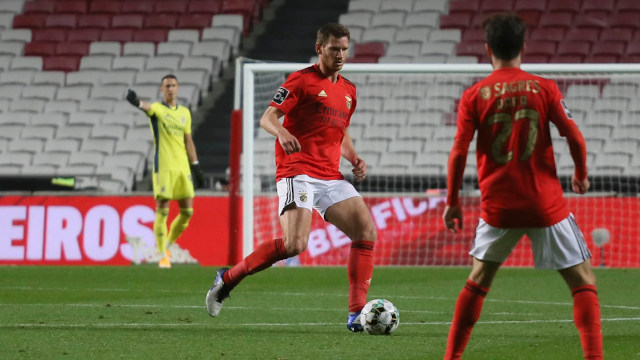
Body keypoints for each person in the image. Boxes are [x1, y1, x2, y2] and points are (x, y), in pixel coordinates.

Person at [441, 13, 603, 360]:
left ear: (488, 50)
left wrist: (453, 200)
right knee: (583, 281)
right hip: (545, 204)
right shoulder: (544, 88)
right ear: (523, 47)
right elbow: (574, 135)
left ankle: (451, 358)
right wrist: (581, 173)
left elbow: (458, 152)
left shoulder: (474, 95)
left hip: (499, 207)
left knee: (479, 278)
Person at [206, 23, 377, 332]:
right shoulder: (301, 80)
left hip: (330, 175)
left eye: (344, 49)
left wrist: (353, 157)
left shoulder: (349, 90)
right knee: (295, 244)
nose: (340, 55)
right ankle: (228, 278)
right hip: (297, 170)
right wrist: (283, 132)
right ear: (320, 49)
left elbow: (341, 131)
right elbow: (267, 116)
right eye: (334, 49)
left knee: (366, 231)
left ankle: (355, 314)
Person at [126, 74, 204, 269]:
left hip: (182, 168)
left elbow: (188, 141)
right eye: (167, 86)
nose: (170, 89)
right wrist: (136, 102)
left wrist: (196, 167)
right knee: (162, 210)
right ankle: (162, 256)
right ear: (162, 89)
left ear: (178, 88)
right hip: (164, 167)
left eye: (173, 85)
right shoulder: (158, 110)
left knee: (187, 212)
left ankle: (167, 246)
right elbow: (147, 107)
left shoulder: (185, 113)